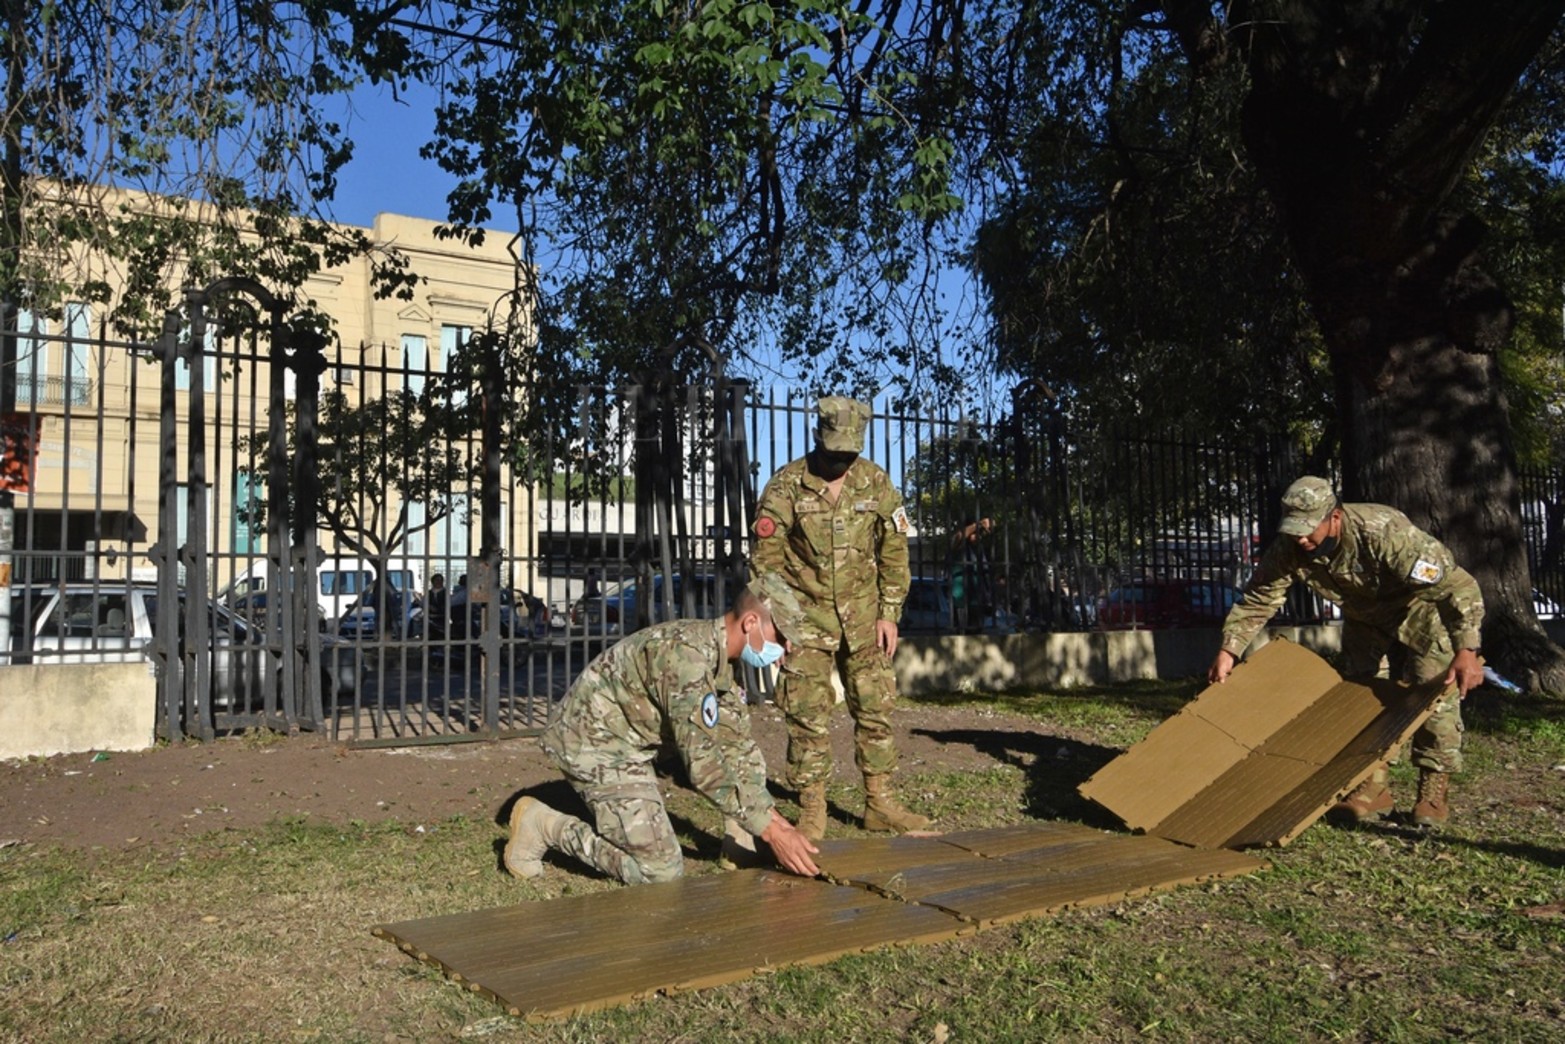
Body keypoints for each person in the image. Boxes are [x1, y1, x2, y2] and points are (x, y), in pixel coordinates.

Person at [503, 575, 820, 884]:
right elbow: (703, 766)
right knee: (659, 870)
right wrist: (774, 831)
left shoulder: (723, 661)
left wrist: (771, 821)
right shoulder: (688, 660)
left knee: (745, 757)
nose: (787, 647)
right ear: (750, 623)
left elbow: (738, 746)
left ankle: (744, 846)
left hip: (630, 744)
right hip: (594, 744)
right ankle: (543, 825)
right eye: (780, 636)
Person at [1207, 476, 1485, 827]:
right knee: (1361, 696)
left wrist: (1467, 649)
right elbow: (1260, 597)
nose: (1302, 538)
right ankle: (1372, 786)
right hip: (1364, 618)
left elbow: (1456, 586)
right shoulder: (1291, 548)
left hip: (1421, 610)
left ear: (1334, 518)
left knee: (1431, 692)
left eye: (1309, 529)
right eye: (1294, 529)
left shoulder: (1384, 533)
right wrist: (1229, 650)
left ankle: (1433, 791)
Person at [750, 395, 931, 840]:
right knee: (807, 717)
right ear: (818, 438)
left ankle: (880, 803)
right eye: (834, 452)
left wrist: (889, 613)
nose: (841, 461)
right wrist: (781, 621)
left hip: (865, 621)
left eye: (849, 453)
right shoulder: (786, 486)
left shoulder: (876, 483)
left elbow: (894, 549)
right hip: (805, 622)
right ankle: (812, 808)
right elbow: (765, 563)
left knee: (875, 709)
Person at [949, 516, 995, 633]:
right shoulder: (960, 546)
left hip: (978, 600)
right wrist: (978, 524)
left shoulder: (979, 549)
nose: (978, 536)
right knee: (963, 634)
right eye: (975, 532)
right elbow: (958, 537)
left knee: (977, 636)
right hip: (962, 600)